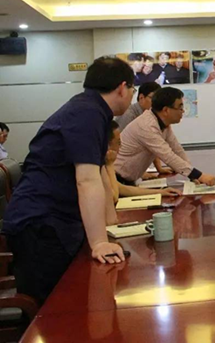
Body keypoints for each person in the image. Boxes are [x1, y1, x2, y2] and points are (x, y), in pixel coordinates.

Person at [2, 57, 133, 304]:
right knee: (56, 309)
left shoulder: (92, 110)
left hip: (54, 221)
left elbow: (99, 172)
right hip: (41, 225)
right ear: (122, 87)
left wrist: (107, 226)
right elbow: (86, 180)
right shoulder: (87, 113)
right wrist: (99, 243)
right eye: (133, 90)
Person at [114, 87, 215, 186]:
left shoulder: (163, 124)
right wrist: (200, 176)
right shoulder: (146, 126)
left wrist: (193, 175)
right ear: (166, 110)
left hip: (129, 179)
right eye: (180, 107)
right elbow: (168, 156)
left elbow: (177, 149)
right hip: (117, 179)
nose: (183, 111)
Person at [103, 121, 181, 203]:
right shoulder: (102, 166)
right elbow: (114, 197)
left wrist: (161, 192)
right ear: (106, 146)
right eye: (118, 142)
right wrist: (109, 165)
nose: (121, 147)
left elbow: (122, 188)